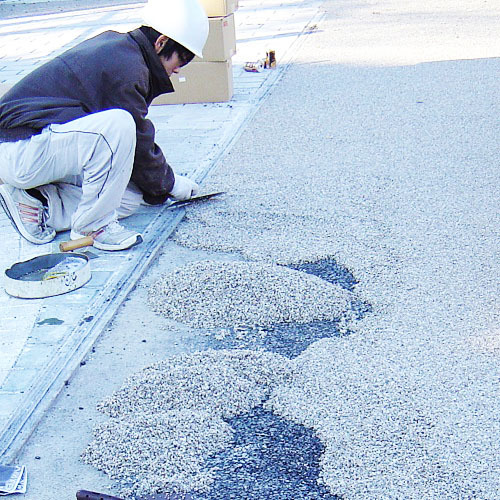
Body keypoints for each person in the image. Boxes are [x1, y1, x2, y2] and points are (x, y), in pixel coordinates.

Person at [0, 0, 209, 251]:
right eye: (182, 59)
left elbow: (126, 159)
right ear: (161, 42)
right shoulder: (127, 68)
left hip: (42, 146)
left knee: (129, 197)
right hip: (18, 148)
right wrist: (171, 184)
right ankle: (94, 227)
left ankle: (38, 202)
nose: (178, 69)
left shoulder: (124, 52)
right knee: (120, 124)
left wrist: (160, 186)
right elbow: (139, 142)